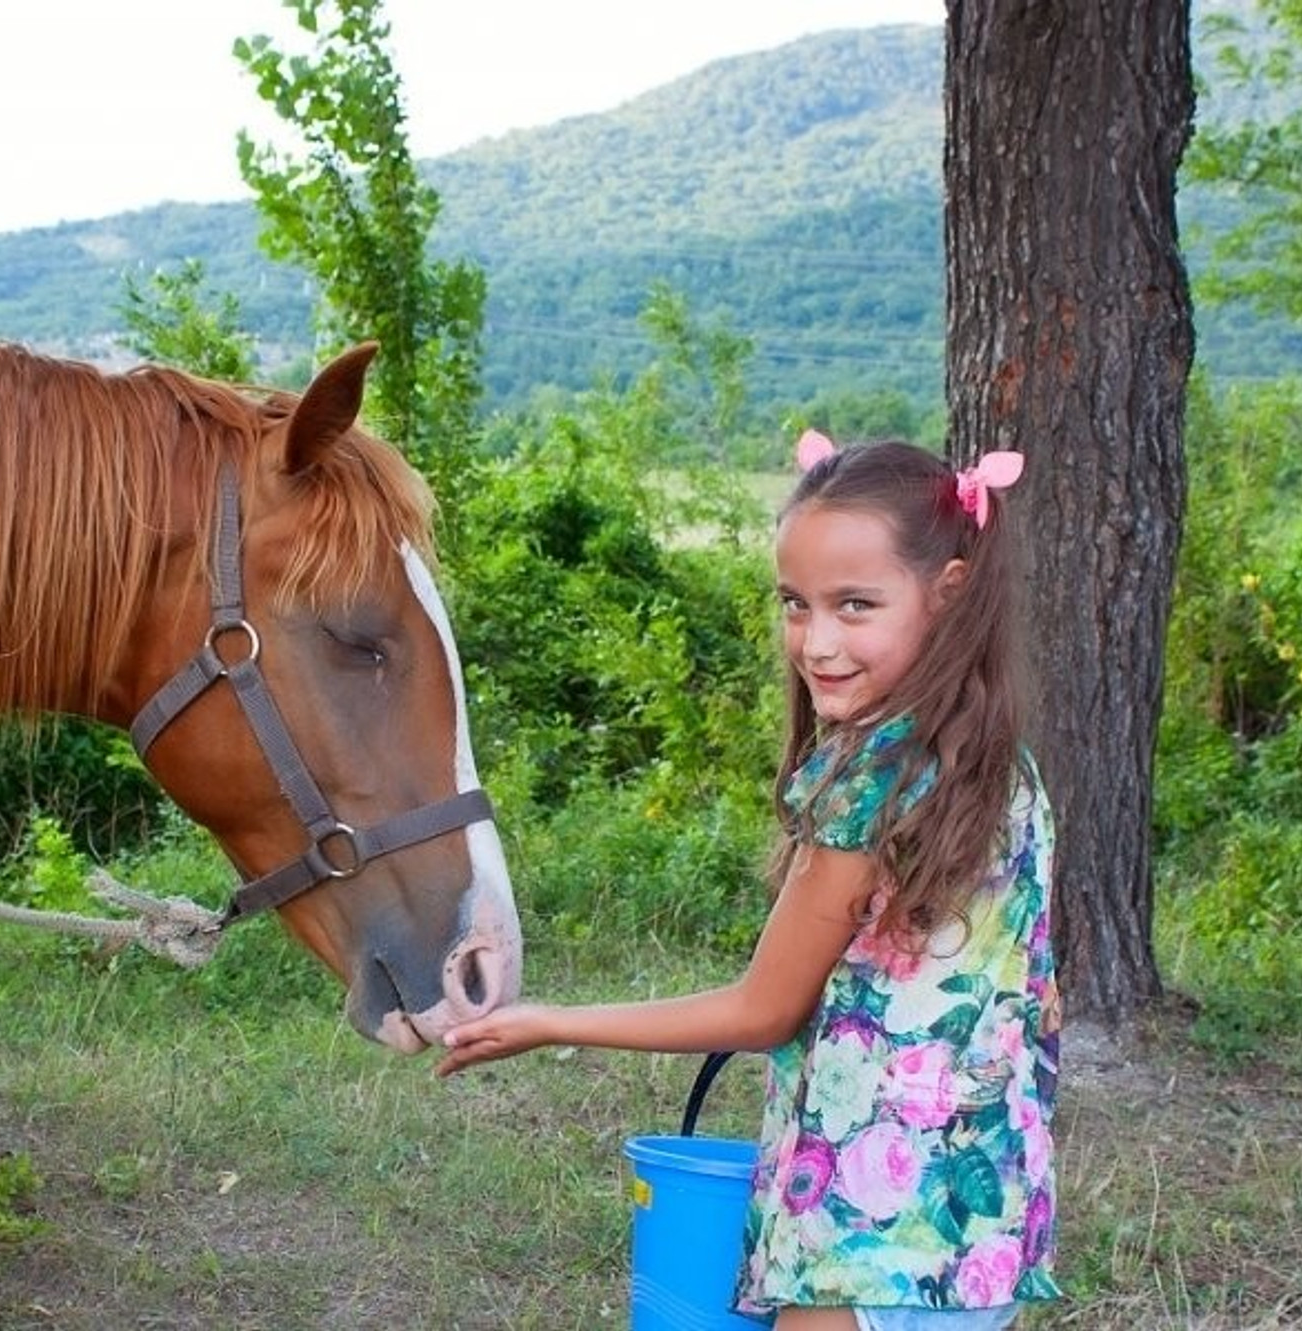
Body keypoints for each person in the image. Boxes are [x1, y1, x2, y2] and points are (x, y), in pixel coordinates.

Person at [437, 432, 1062, 1331]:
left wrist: (549, 1022)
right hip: (980, 1229)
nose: (816, 641)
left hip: (863, 1235)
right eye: (795, 604)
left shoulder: (870, 777)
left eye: (856, 605)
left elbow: (764, 1008)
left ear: (949, 592)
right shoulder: (1001, 767)